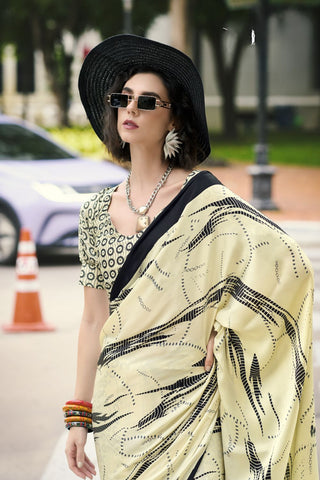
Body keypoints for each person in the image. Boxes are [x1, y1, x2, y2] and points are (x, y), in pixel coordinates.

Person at [64, 34, 318, 480]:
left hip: (188, 406)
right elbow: (92, 320)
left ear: (173, 119)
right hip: (118, 410)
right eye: (123, 99)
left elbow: (286, 267)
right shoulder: (95, 212)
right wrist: (79, 416)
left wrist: (228, 327)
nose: (131, 108)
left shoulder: (204, 203)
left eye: (147, 101)